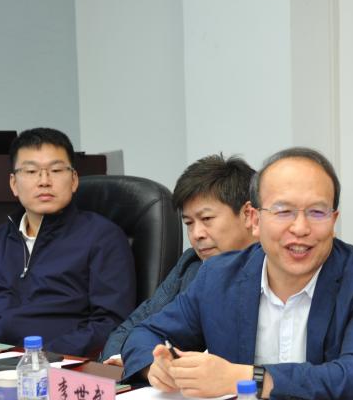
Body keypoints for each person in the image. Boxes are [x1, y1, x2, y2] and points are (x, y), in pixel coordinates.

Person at [121, 147, 353, 400]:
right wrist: (157, 367)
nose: (300, 228)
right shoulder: (219, 276)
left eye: (317, 212)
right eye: (283, 211)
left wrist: (242, 378)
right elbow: (144, 335)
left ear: (333, 220)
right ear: (254, 220)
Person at [0, 127, 135, 355]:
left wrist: (37, 359)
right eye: (31, 171)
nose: (44, 181)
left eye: (56, 170)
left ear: (74, 180)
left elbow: (110, 322)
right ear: (14, 184)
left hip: (62, 364)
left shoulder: (103, 237)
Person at [100, 154, 256, 363]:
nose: (197, 234)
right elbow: (135, 326)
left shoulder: (275, 272)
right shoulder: (191, 264)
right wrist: (122, 362)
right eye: (189, 223)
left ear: (248, 214)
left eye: (207, 219)